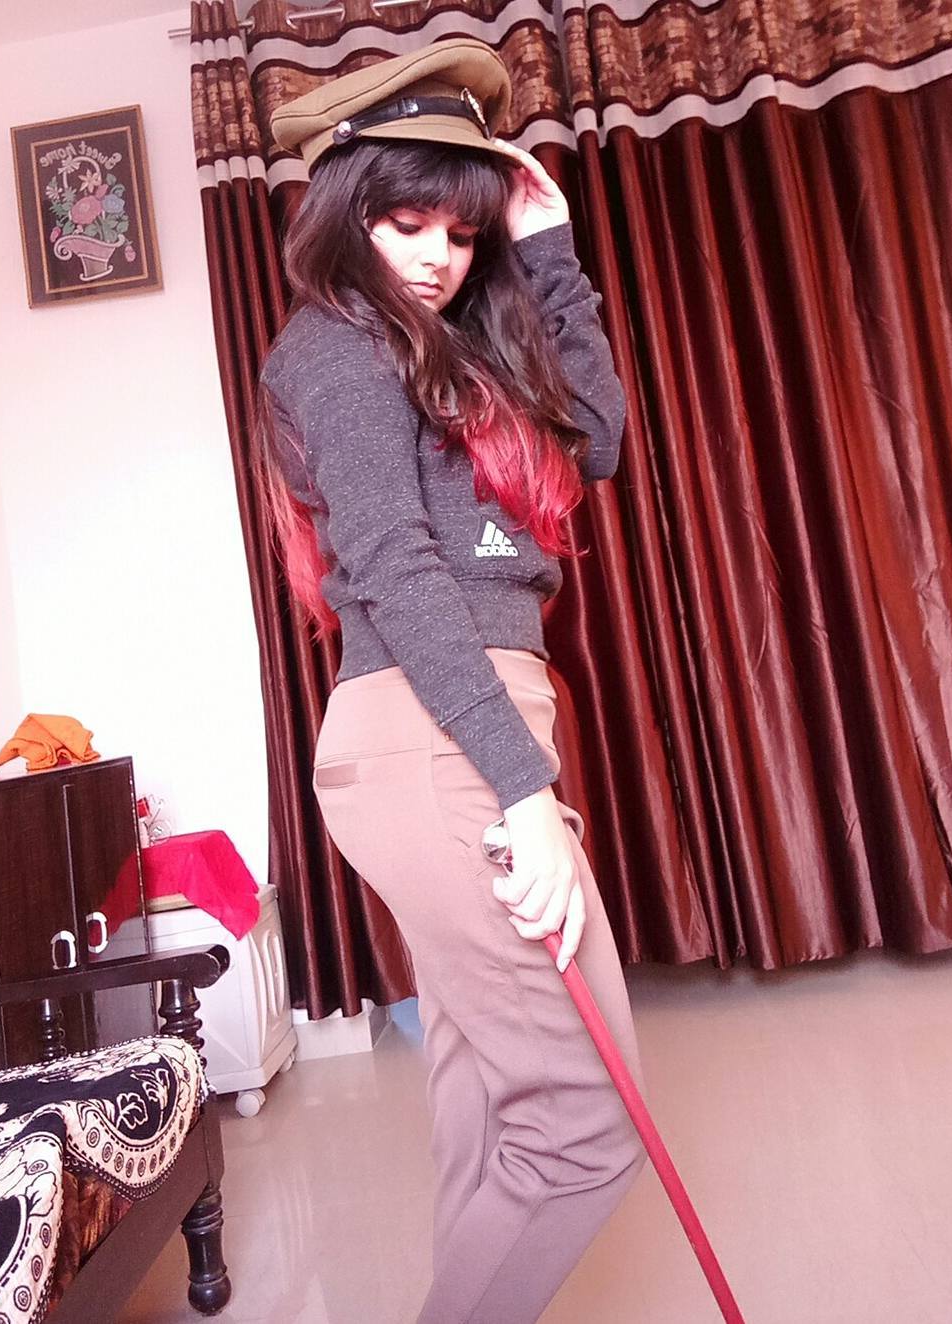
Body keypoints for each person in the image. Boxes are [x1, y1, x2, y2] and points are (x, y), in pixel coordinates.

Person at [258, 37, 648, 1324]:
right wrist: (521, 789)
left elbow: (596, 441)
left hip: (455, 728)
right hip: (437, 729)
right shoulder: (335, 349)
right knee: (587, 1121)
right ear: (345, 212)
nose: (435, 255)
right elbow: (392, 567)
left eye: (461, 232)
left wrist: (550, 254)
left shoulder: (445, 347)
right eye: (405, 221)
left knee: (484, 1101)